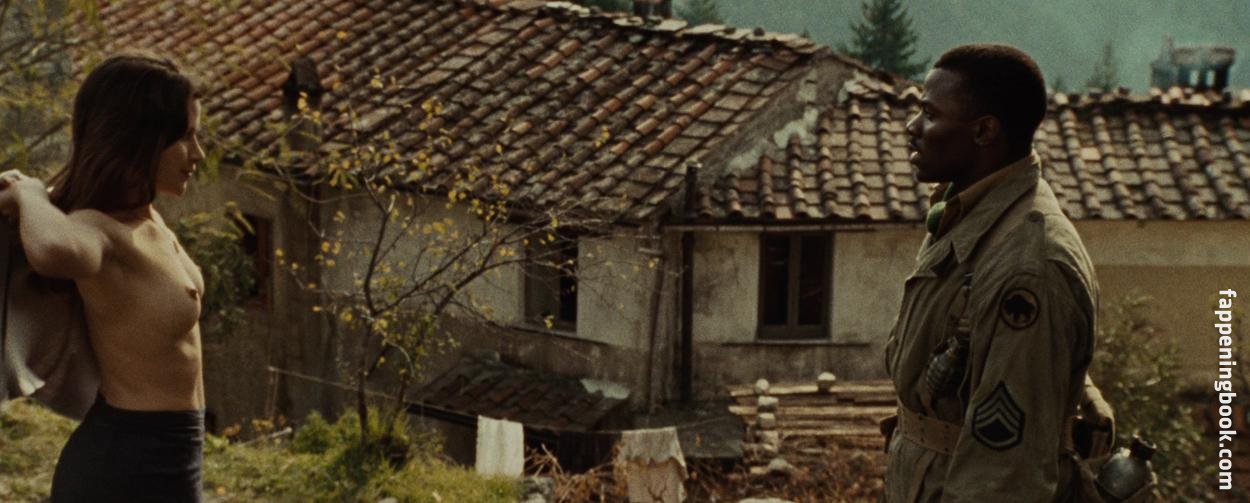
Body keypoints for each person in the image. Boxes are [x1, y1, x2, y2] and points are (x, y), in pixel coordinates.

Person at [880, 44, 1099, 501]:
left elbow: (1004, 478)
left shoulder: (1028, 265)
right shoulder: (967, 216)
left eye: (930, 114)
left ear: (984, 131)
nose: (912, 128)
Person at [0, 53, 207, 502]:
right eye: (184, 137)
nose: (198, 153)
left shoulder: (147, 217)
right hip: (123, 465)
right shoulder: (98, 229)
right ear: (141, 140)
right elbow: (53, 252)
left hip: (172, 454)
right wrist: (29, 194)